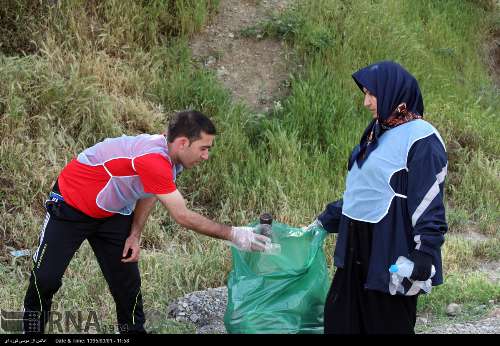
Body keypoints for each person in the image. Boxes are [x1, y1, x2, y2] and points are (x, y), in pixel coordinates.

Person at [22, 110, 271, 334]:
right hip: (71, 206)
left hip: (114, 211)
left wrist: (135, 234)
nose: (206, 156)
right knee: (45, 278)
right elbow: (183, 216)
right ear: (183, 143)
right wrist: (235, 234)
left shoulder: (171, 159)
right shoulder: (153, 158)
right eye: (204, 148)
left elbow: (150, 189)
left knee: (127, 286)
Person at [309, 61, 448, 334]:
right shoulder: (376, 133)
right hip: (355, 248)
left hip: (389, 248)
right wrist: (325, 221)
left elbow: (428, 201)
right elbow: (365, 189)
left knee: (386, 324)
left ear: (394, 93)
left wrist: (425, 252)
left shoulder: (422, 139)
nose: (366, 102)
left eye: (372, 94)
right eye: (365, 94)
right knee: (341, 321)